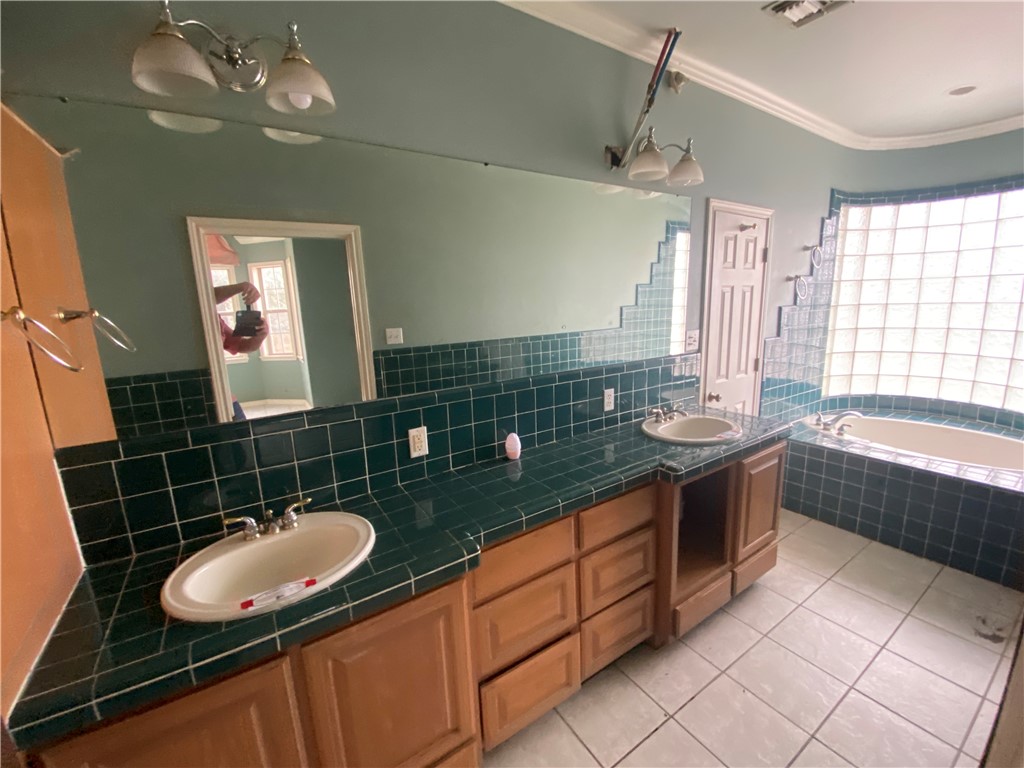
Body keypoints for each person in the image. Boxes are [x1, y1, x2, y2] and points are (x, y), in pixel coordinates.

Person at [214, 281, 269, 420]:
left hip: (225, 396)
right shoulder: (192, 307)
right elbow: (207, 296)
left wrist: (262, 334)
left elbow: (240, 346)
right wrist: (241, 286)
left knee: (245, 437)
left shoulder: (215, 320)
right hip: (206, 399)